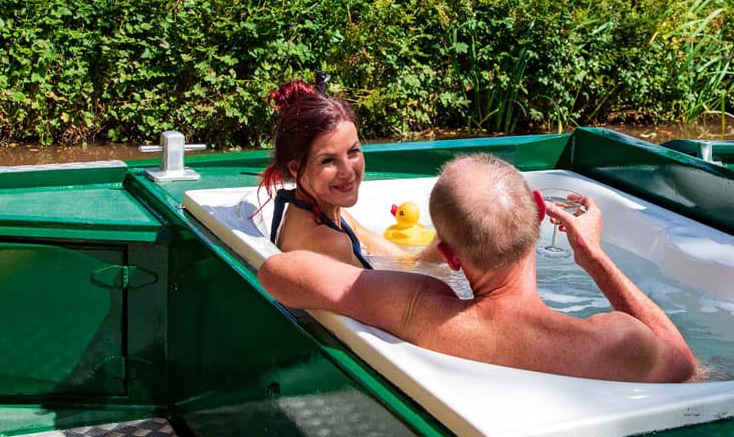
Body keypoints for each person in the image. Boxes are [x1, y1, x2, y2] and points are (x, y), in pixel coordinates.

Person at [259, 153, 697, 383]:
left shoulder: (417, 308)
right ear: (540, 212)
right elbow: (684, 364)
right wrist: (595, 258)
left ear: (449, 256)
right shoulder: (611, 342)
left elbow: (277, 271)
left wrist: (394, 282)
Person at [257, 80, 425, 270]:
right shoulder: (329, 242)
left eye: (353, 152)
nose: (347, 171)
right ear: (296, 169)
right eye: (328, 160)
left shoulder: (322, 210)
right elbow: (390, 297)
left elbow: (407, 259)